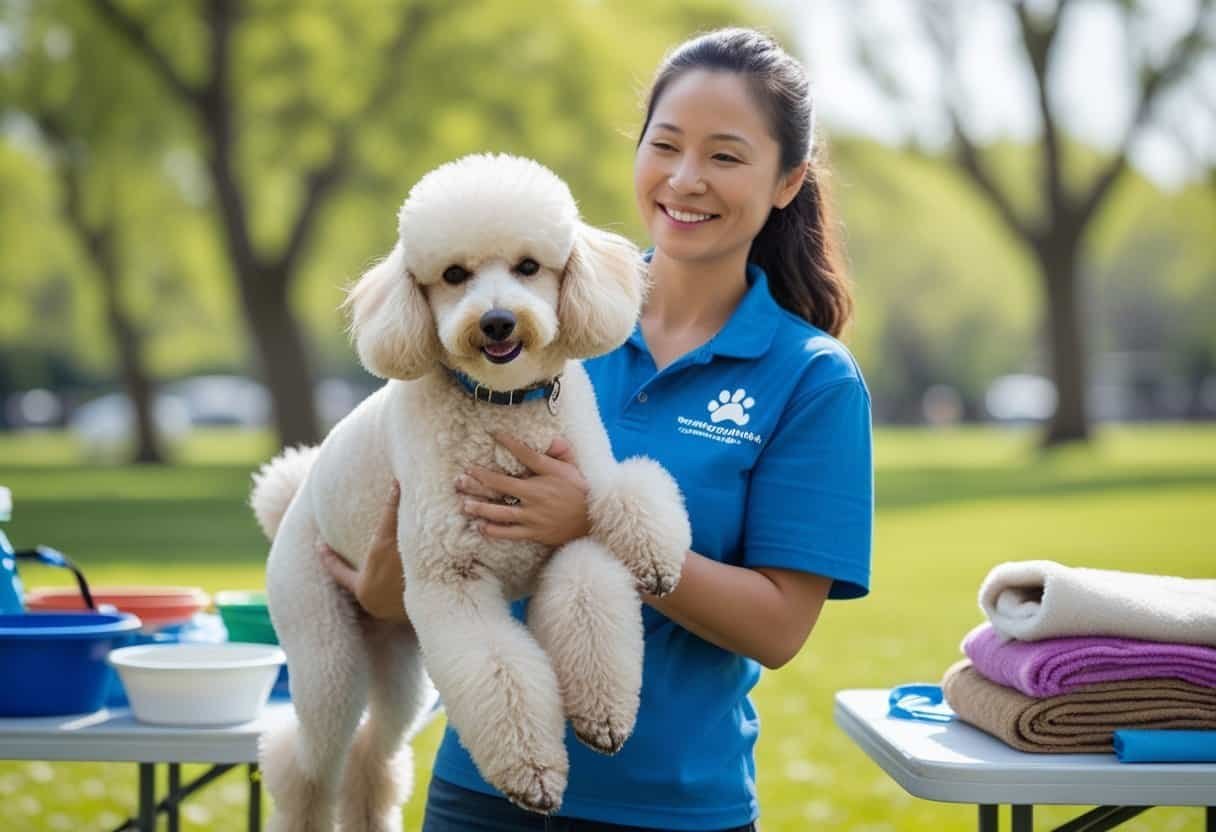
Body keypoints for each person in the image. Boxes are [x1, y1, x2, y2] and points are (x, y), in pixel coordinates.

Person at [321, 26, 873, 832]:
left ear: (788, 182)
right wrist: (385, 584)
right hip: (480, 792)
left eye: (725, 156)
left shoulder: (811, 379)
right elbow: (427, 567)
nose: (686, 179)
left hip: (675, 806)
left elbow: (780, 627)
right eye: (667, 145)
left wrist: (596, 523)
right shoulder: (520, 328)